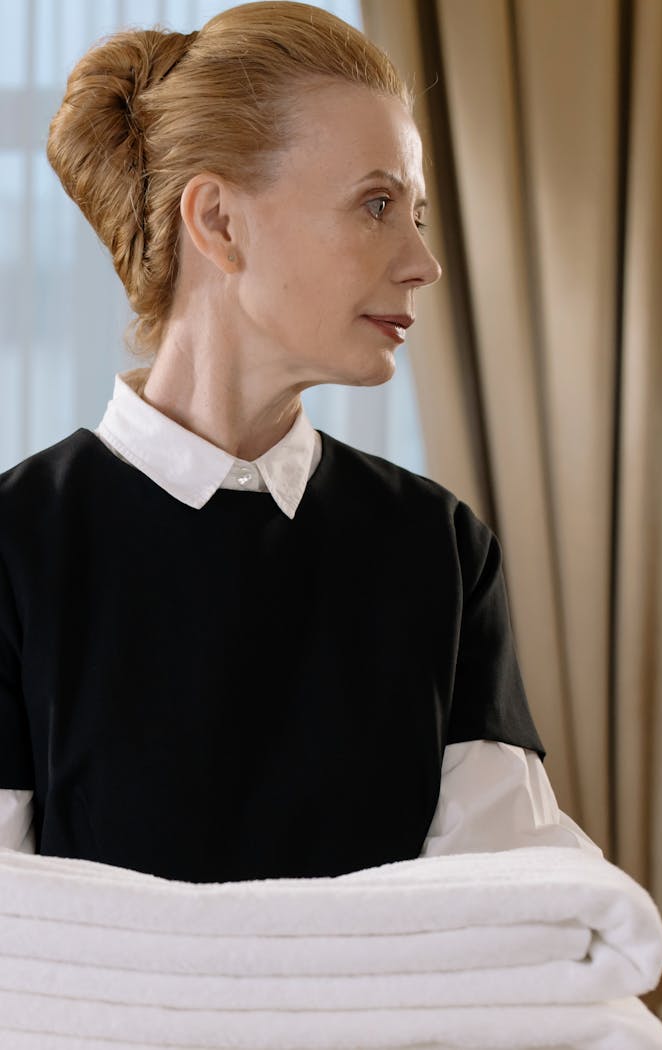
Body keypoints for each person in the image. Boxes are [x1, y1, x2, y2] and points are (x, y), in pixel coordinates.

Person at [0, 1, 599, 883]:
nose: (423, 261)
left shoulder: (441, 549)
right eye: (377, 203)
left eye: (416, 213)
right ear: (219, 224)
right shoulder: (16, 549)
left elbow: (503, 905)